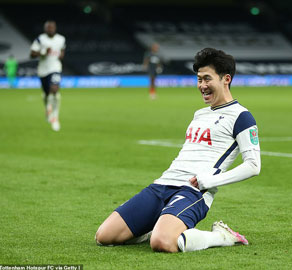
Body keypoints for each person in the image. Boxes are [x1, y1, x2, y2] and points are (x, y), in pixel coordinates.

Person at [96, 48, 261, 253]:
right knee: (105, 236)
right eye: (199, 79)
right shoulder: (199, 114)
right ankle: (162, 225)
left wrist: (210, 182)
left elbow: (253, 166)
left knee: (162, 243)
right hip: (162, 185)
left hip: (193, 191)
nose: (202, 85)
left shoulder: (241, 116)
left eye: (207, 79)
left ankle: (222, 236)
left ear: (226, 79)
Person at [30, 20, 66, 132]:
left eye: (52, 28)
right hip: (43, 70)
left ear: (55, 28)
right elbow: (31, 54)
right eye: (48, 28)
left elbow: (62, 49)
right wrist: (43, 52)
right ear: (45, 29)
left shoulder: (61, 39)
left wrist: (61, 56)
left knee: (54, 90)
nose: (50, 30)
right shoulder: (40, 39)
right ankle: (47, 108)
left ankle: (55, 118)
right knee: (46, 94)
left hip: (55, 68)